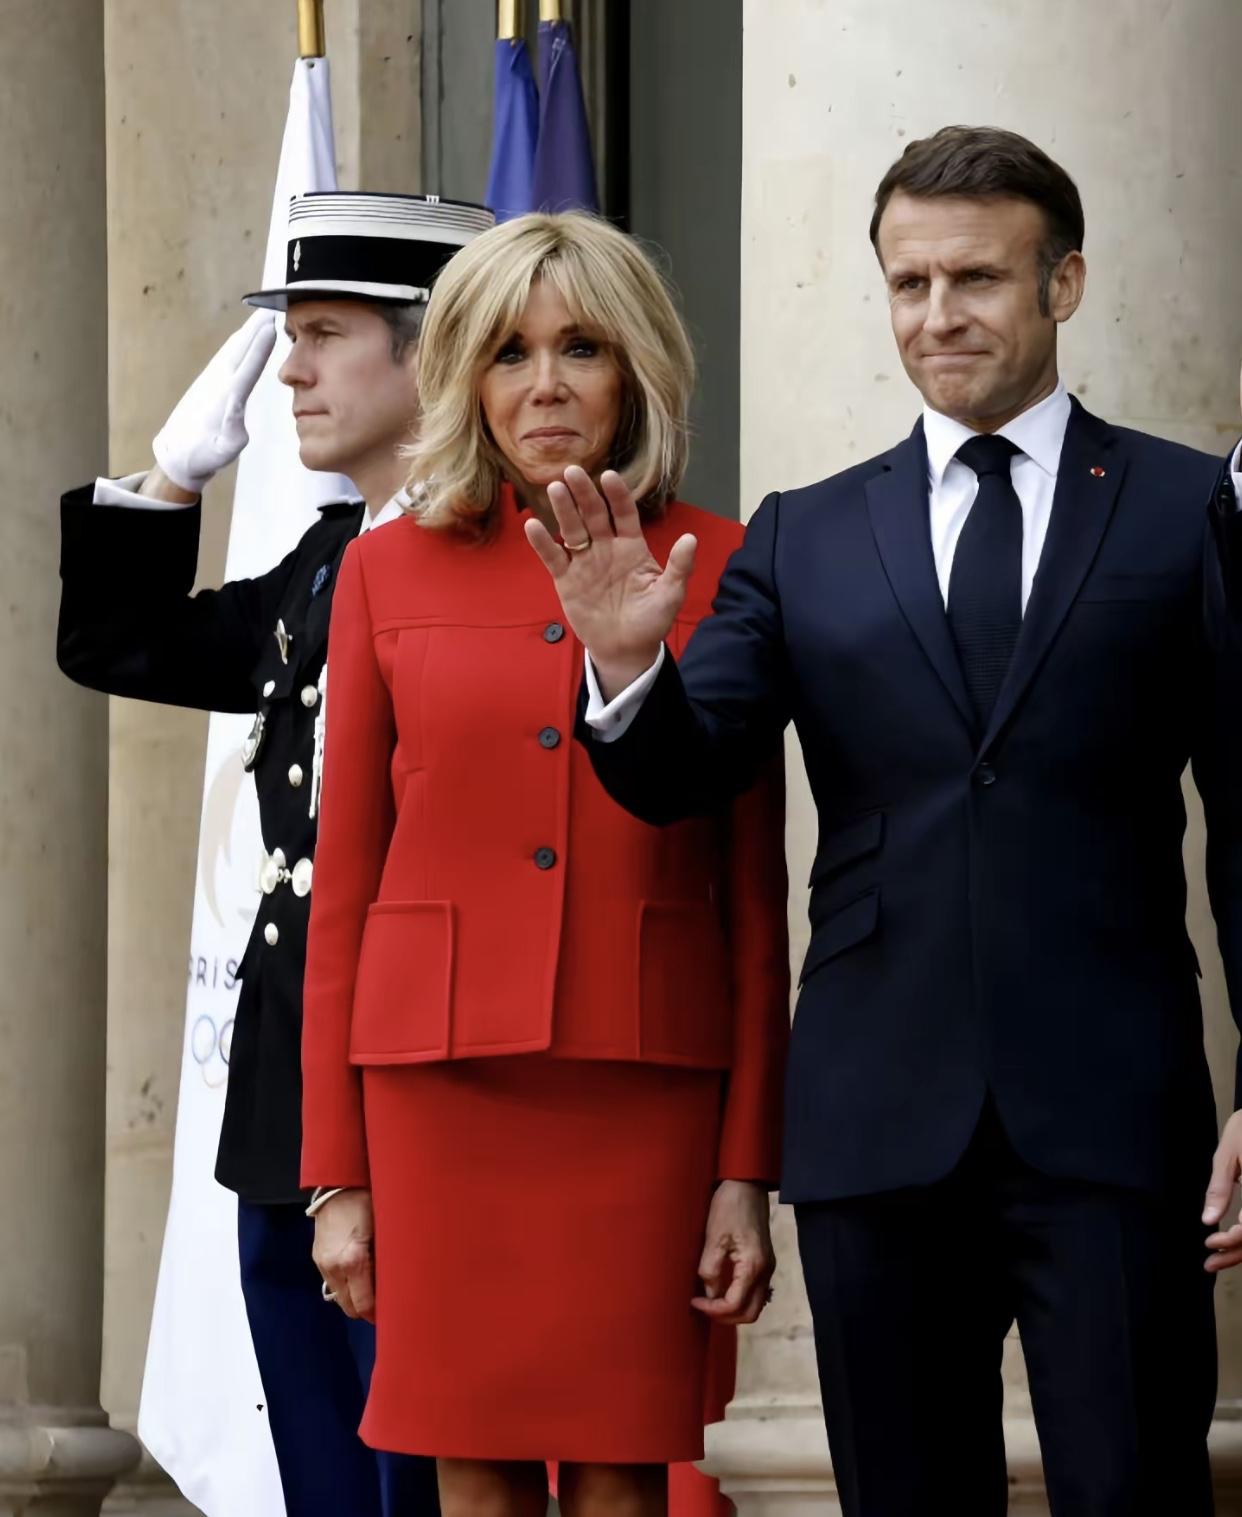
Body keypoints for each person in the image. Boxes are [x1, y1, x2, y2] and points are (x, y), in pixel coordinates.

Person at [528, 127, 1242, 1516]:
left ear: (1063, 284)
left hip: (1112, 1113)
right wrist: (625, 667)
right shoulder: (803, 535)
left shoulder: (1183, 507)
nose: (937, 315)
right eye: (908, 283)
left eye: (976, 278)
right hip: (876, 1120)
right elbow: (682, 773)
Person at [301, 211, 790, 1517]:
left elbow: (754, 900)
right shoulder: (381, 570)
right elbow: (343, 891)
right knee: (468, 1460)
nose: (546, 384)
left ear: (635, 367)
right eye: (509, 353)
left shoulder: (725, 562)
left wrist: (746, 1164)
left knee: (628, 1467)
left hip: (645, 1087)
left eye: (581, 347)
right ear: (467, 378)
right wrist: (336, 1172)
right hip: (436, 1092)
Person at [57, 190, 493, 1517]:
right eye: (289, 335)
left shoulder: (492, 561)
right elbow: (124, 647)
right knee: (323, 1478)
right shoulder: (330, 555)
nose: (290, 371)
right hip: (287, 1089)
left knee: (420, 1477)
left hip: (417, 1082)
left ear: (431, 350)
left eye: (322, 334)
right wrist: (169, 481)